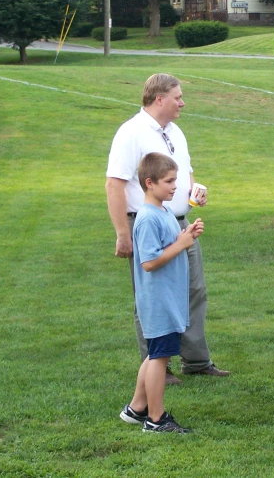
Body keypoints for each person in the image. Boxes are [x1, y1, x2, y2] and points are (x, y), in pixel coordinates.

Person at [105, 73, 229, 385]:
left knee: (194, 290)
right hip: (146, 222)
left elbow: (185, 172)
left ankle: (197, 361)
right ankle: (158, 366)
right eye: (178, 97)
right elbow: (114, 184)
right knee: (151, 297)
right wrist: (122, 233)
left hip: (180, 224)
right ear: (159, 98)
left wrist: (193, 193)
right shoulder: (131, 133)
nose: (182, 103)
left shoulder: (174, 131)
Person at [120, 153, 203, 433]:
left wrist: (187, 234)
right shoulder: (146, 219)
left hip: (169, 298)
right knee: (159, 357)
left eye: (175, 180)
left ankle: (137, 408)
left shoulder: (165, 212)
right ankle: (156, 419)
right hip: (159, 301)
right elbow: (149, 262)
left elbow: (172, 242)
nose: (174, 186)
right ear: (149, 183)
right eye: (168, 181)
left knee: (155, 354)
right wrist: (181, 244)